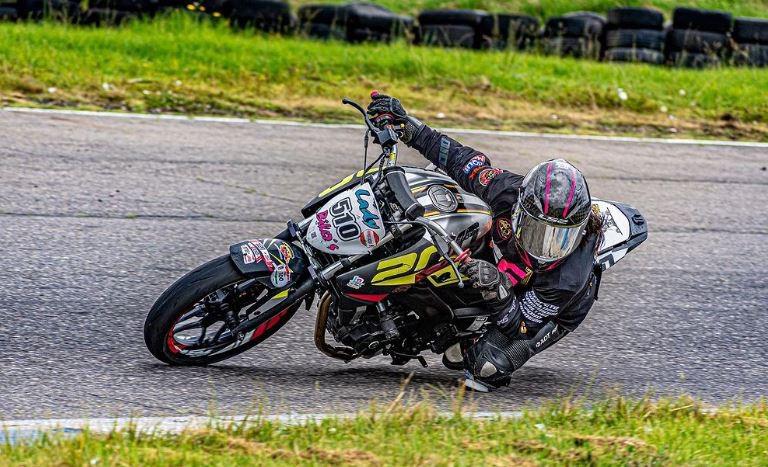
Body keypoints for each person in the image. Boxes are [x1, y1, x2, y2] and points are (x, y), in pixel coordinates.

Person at [366, 93, 604, 392]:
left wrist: (497, 287)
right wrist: (409, 127)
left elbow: (519, 324)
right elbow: (461, 160)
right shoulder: (508, 191)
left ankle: (472, 341)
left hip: (547, 310)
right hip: (504, 263)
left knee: (485, 366)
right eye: (537, 230)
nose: (545, 246)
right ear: (520, 210)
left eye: (559, 236)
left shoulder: (566, 279)